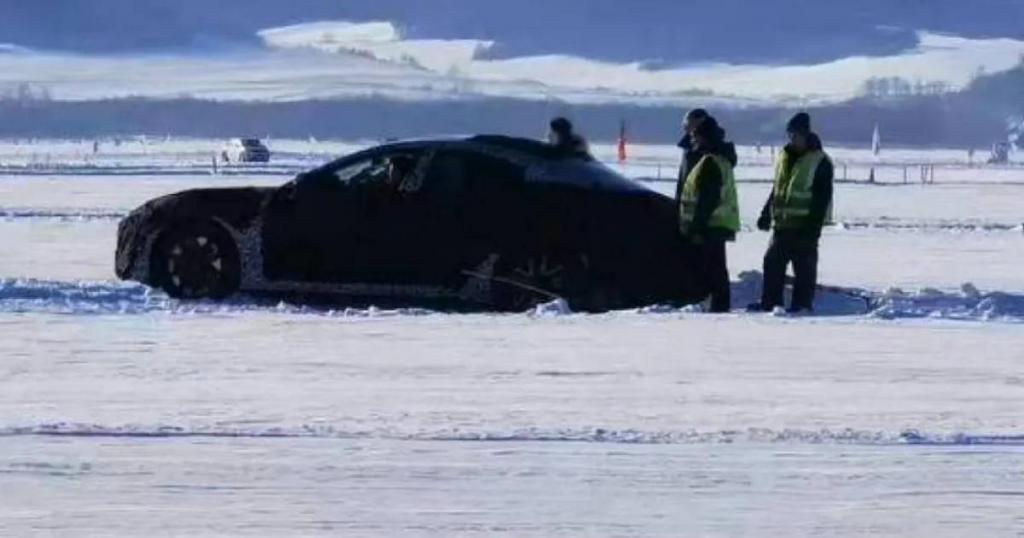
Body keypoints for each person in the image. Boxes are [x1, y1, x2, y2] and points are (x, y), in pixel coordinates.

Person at [748, 112, 834, 313]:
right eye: (790, 135)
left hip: (804, 226)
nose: (792, 140)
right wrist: (766, 213)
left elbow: (821, 199)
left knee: (804, 270)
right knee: (772, 265)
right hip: (782, 224)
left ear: (805, 135)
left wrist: (813, 230)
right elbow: (778, 187)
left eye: (795, 135)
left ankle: (801, 306)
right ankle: (770, 303)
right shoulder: (784, 157)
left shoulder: (819, 161)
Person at [678, 117, 740, 313]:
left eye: (696, 137)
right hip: (717, 224)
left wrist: (696, 226)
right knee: (716, 268)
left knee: (712, 269)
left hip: (710, 225)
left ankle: (717, 306)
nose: (694, 141)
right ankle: (717, 304)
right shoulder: (718, 160)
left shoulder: (710, 163)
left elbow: (707, 199)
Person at [676, 109, 737, 204]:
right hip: (687, 209)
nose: (687, 128)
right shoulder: (689, 149)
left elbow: (711, 193)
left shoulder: (717, 152)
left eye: (690, 124)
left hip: (709, 213)